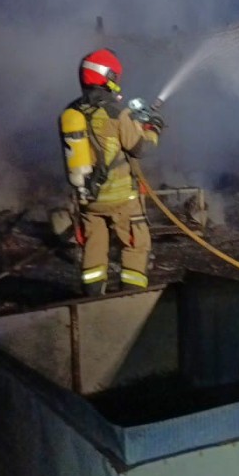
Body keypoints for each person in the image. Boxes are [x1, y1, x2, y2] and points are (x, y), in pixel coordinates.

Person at [59, 48, 162, 296]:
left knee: (94, 249)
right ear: (107, 77)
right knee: (136, 245)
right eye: (114, 76)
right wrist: (152, 129)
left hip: (89, 200)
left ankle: (92, 300)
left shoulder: (71, 112)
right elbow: (140, 148)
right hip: (121, 199)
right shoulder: (116, 113)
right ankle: (132, 299)